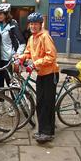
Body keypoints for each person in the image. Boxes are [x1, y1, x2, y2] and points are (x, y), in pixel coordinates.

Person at [19, 12, 59, 143]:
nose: (33, 26)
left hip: (50, 73)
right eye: (31, 24)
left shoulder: (45, 37)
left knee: (47, 103)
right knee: (40, 103)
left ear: (40, 24)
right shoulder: (32, 37)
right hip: (41, 73)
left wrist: (35, 64)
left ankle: (48, 133)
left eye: (35, 24)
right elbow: (28, 52)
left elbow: (51, 57)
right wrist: (20, 58)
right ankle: (43, 130)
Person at [0, 3, 26, 88]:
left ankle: (15, 100)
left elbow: (22, 42)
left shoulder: (12, 25)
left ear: (6, 14)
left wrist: (17, 54)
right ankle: (1, 100)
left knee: (10, 82)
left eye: (1, 13)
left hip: (9, 58)